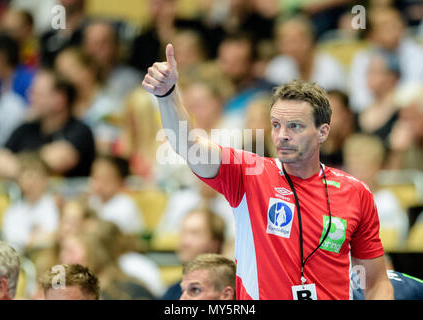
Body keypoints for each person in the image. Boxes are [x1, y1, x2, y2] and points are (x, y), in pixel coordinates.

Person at [142, 44, 394, 300]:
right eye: (276, 125)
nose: (282, 136)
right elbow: (189, 145)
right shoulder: (249, 173)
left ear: (323, 132)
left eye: (295, 126)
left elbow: (376, 284)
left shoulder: (356, 192)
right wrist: (167, 95)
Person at [0, 68, 96, 178]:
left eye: (37, 93)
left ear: (59, 99)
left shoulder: (80, 130)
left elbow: (60, 160)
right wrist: (37, 162)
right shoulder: (25, 128)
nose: (29, 95)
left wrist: (15, 163)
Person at [160, 208, 226, 300]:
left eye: (194, 233)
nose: (184, 242)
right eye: (183, 232)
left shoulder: (229, 289)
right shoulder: (174, 291)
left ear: (215, 243)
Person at [2, 152, 60, 253]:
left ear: (45, 179)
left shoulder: (55, 204)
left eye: (33, 177)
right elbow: (13, 240)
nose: (29, 183)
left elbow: (55, 236)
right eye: (24, 178)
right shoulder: (13, 211)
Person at [88, 155, 145, 234]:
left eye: (105, 179)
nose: (99, 184)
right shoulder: (92, 201)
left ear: (118, 181)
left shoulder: (125, 205)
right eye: (95, 178)